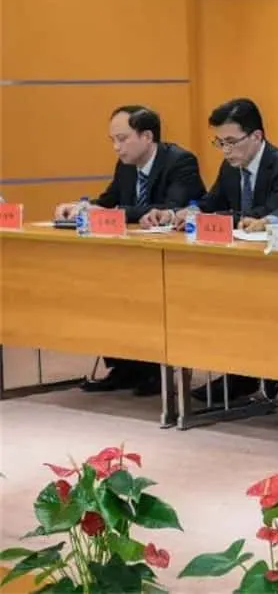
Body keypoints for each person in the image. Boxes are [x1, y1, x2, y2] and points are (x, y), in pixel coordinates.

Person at [142, 98, 278, 403]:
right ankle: (237, 372)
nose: (226, 150)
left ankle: (256, 374)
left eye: (231, 142)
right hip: (238, 261)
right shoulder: (230, 168)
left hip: (275, 266)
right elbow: (210, 203)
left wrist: (229, 219)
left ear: (256, 136)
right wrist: (182, 212)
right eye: (220, 143)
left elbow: (274, 211)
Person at [57, 105, 204, 397]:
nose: (116, 147)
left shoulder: (181, 161)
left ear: (147, 136)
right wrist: (81, 207)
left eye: (122, 139)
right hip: (134, 253)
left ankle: (153, 371)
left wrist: (109, 212)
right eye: (112, 140)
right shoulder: (125, 165)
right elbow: (109, 201)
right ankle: (124, 366)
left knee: (143, 292)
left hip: (174, 259)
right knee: (108, 287)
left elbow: (169, 207)